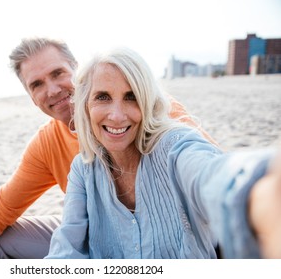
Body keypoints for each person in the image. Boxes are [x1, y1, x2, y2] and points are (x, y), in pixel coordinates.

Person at [0, 37, 217, 259]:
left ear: (78, 72)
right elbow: (0, 209)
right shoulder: (51, 145)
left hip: (168, 236)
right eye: (37, 84)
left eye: (57, 74)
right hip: (94, 230)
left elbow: (210, 171)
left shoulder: (150, 112)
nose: (51, 90)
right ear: (30, 96)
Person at [45, 47, 280, 259]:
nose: (116, 115)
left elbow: (213, 174)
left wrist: (260, 190)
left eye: (132, 97)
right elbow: (66, 247)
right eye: (102, 97)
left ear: (147, 103)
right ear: (86, 105)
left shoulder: (174, 146)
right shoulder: (83, 168)